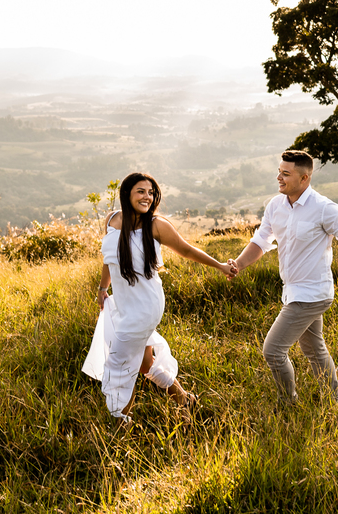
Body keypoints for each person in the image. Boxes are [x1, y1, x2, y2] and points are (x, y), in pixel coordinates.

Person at [82, 171, 237, 421]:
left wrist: (220, 265)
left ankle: (119, 424)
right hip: (123, 303)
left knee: (120, 366)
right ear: (126, 194)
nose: (147, 197)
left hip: (146, 305)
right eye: (141, 192)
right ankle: (185, 399)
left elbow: (186, 249)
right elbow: (109, 258)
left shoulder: (156, 225)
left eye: (151, 192)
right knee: (144, 364)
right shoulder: (112, 220)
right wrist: (102, 288)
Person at [230, 149, 338, 404]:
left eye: (285, 174)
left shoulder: (323, 208)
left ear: (304, 178)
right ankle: (334, 400)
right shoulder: (275, 205)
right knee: (314, 349)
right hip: (293, 291)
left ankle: (288, 403)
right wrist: (238, 265)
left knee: (273, 351)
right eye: (279, 171)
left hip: (312, 294)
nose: (279, 177)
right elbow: (260, 241)